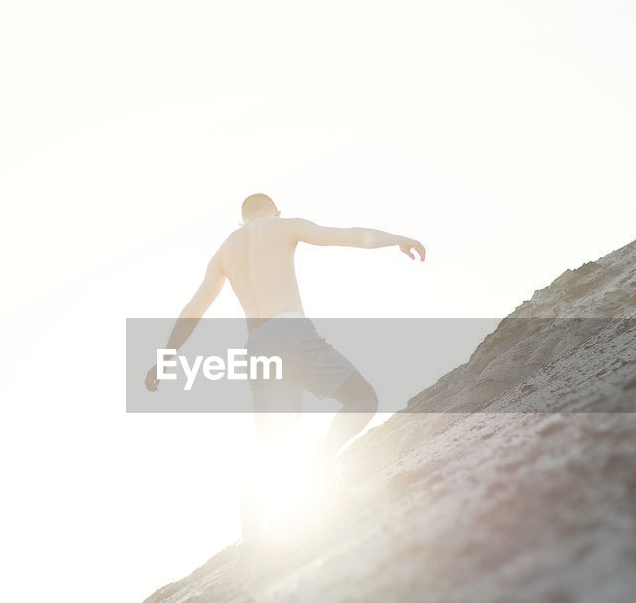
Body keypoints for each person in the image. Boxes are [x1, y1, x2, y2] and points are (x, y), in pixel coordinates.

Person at [144, 193, 425, 539]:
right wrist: (396, 239)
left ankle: (251, 545)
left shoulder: (225, 251)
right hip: (291, 330)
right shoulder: (283, 226)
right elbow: (345, 235)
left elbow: (194, 309)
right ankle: (324, 455)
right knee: (362, 399)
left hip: (257, 345)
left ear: (240, 220)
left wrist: (165, 357)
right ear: (276, 211)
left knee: (268, 444)